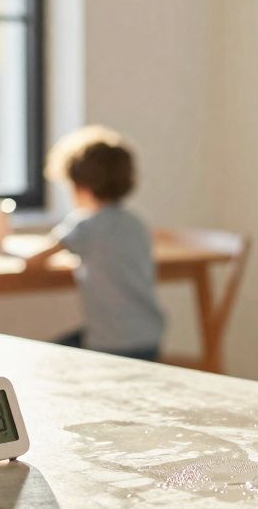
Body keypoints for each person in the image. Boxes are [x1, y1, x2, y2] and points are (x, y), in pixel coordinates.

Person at [25, 125, 165, 362]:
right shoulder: (137, 224)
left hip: (111, 342)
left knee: (46, 359)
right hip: (149, 336)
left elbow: (35, 262)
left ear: (80, 186)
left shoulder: (85, 226)